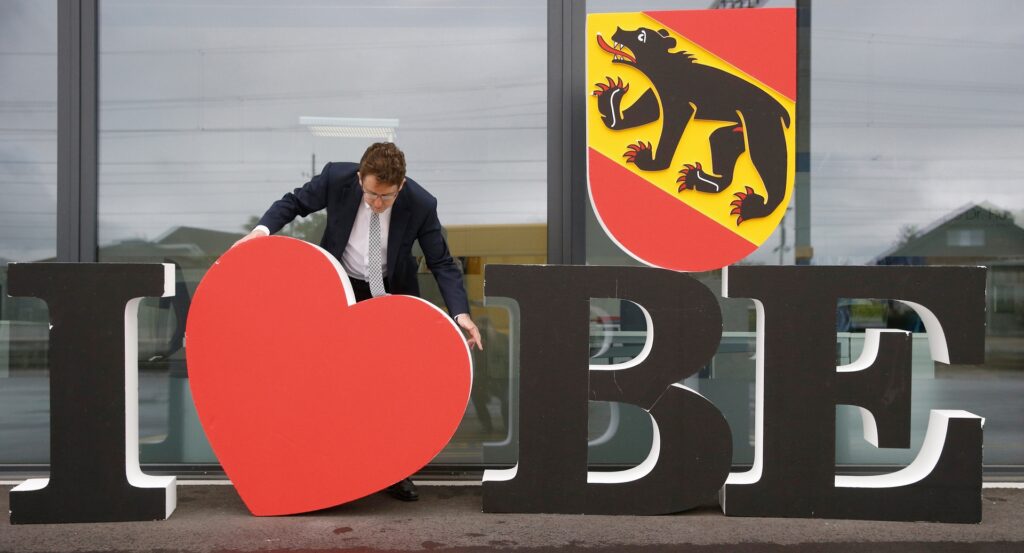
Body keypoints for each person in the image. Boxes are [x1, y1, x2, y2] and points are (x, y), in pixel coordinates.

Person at [234, 142, 482, 501]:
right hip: (338, 289)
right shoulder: (336, 178)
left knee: (389, 387)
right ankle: (321, 465)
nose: (377, 204)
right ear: (359, 178)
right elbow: (294, 203)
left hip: (389, 298)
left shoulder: (421, 203)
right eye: (371, 194)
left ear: (401, 185)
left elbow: (441, 262)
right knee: (326, 380)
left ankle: (394, 471)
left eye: (386, 197)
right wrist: (261, 231)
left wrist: (461, 314)